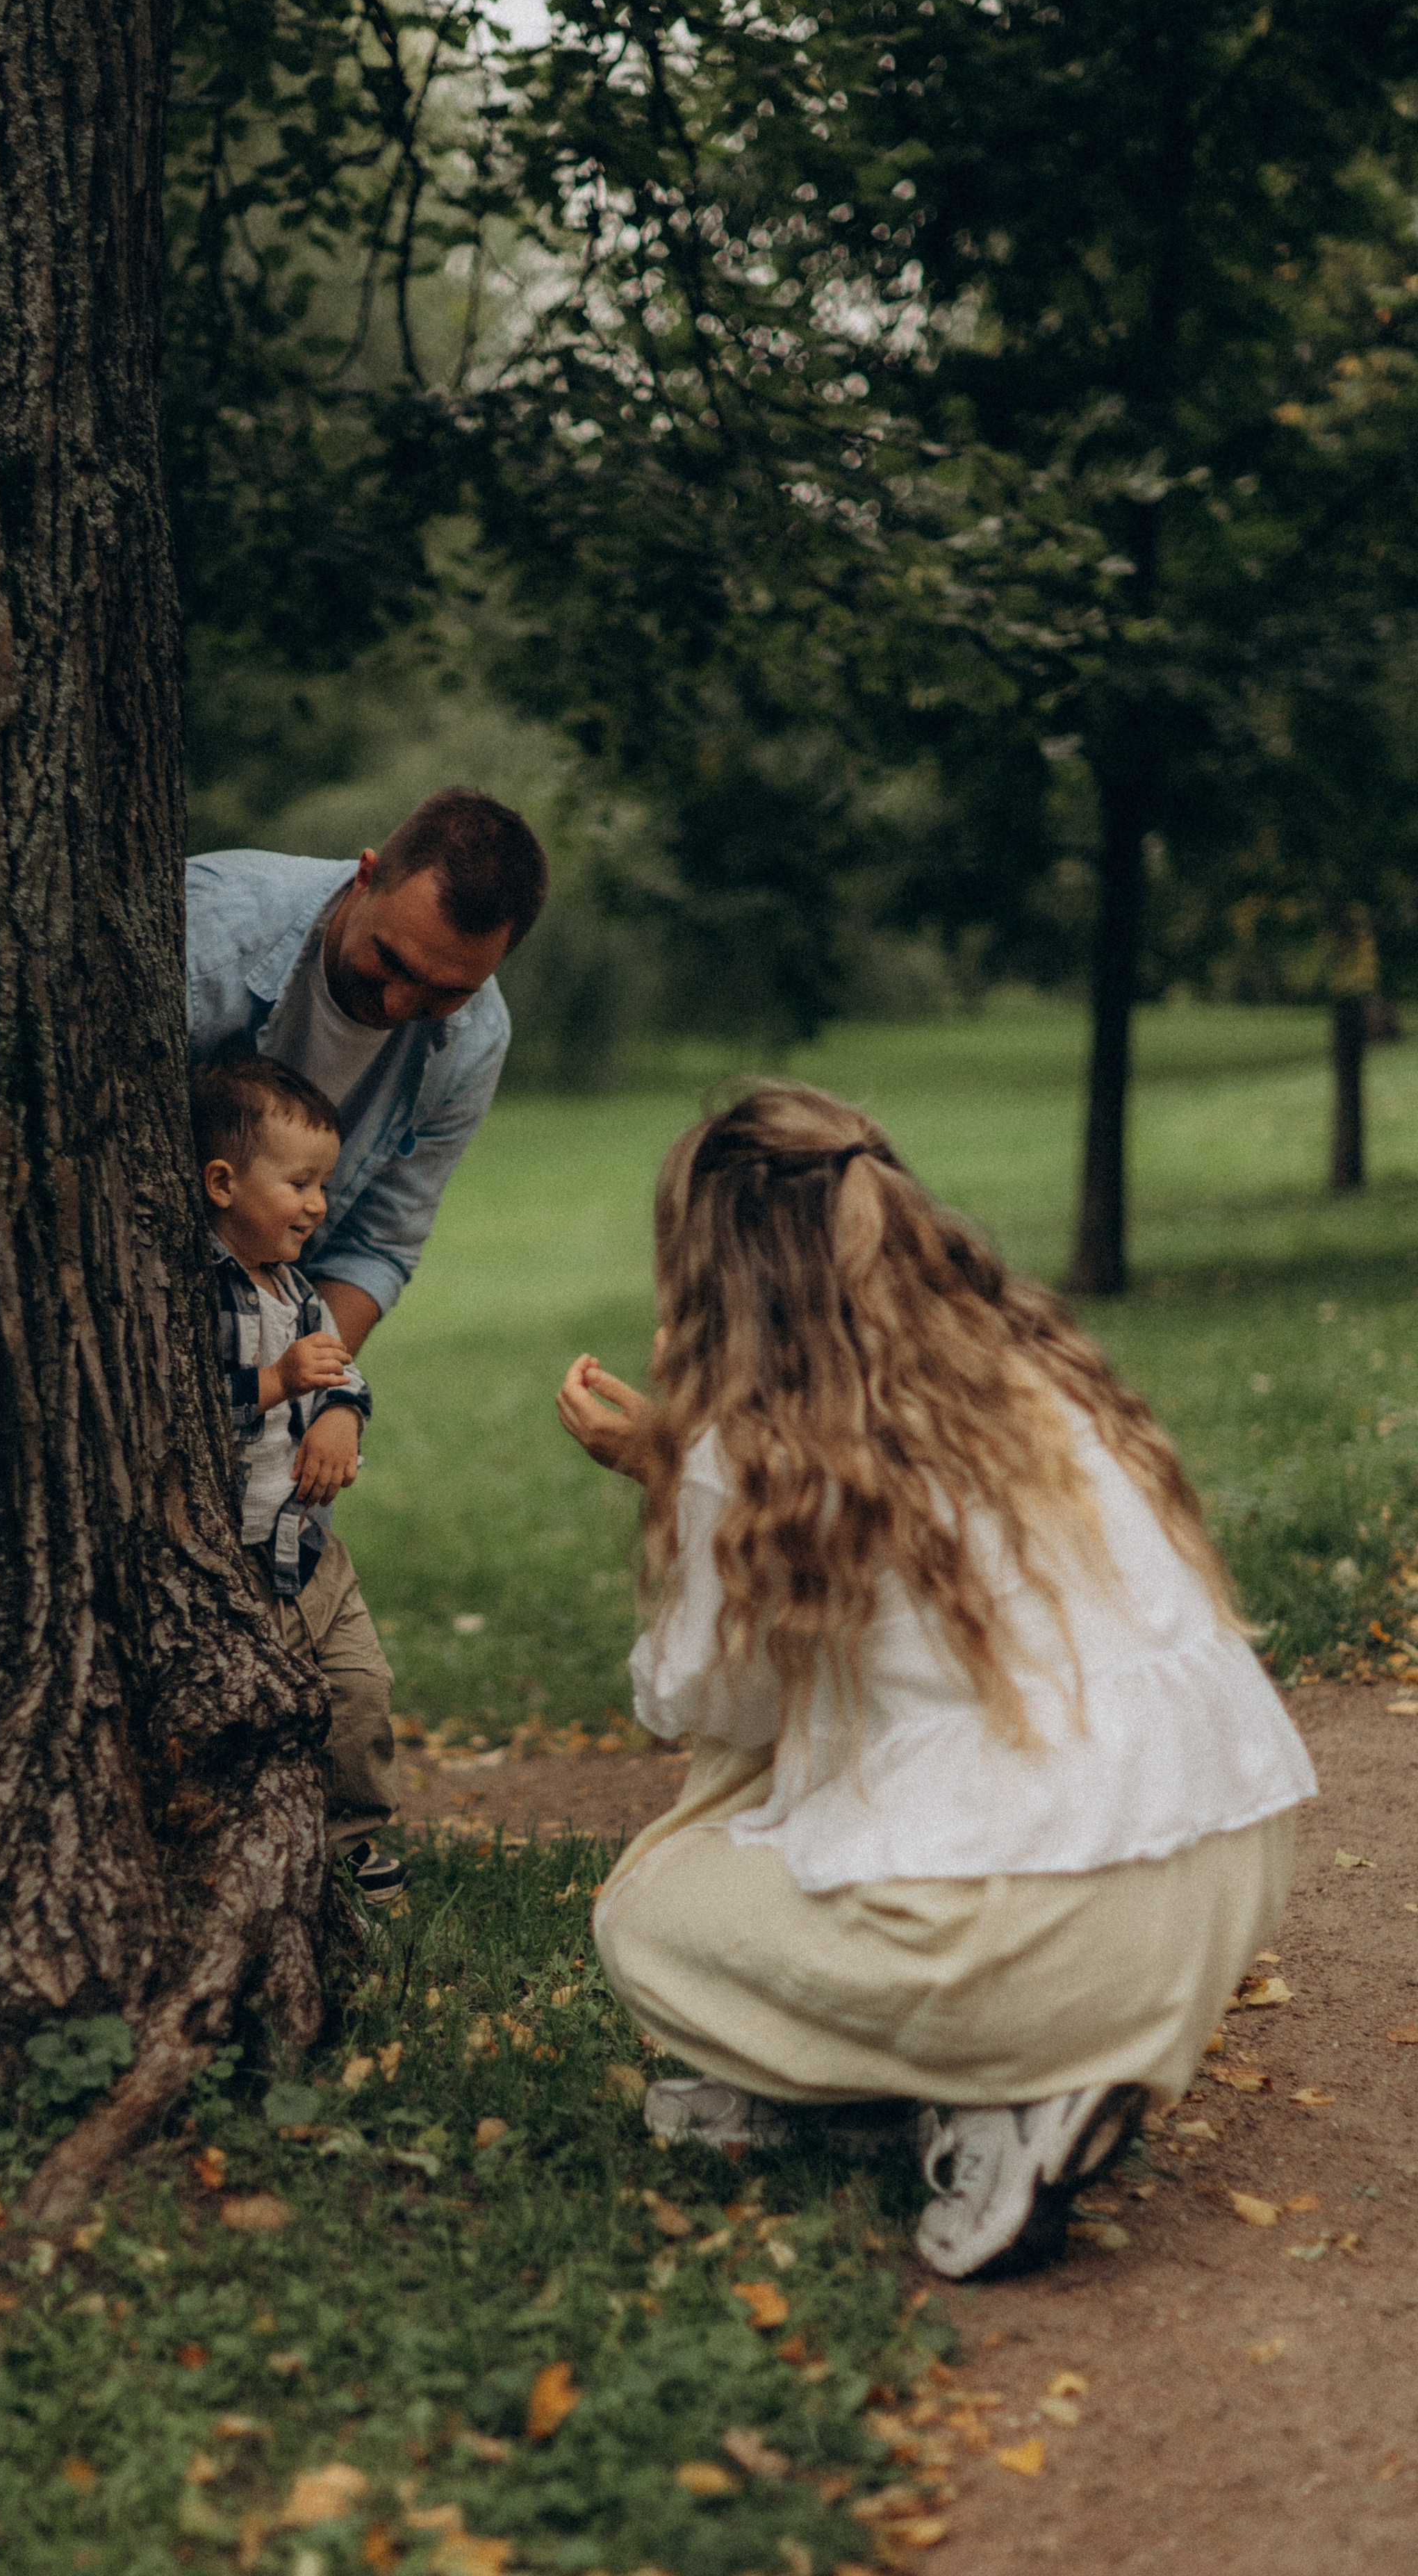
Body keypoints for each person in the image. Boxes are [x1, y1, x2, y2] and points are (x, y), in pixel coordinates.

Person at [555, 1081, 1316, 2281]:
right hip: (1221, 1872)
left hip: (1043, 1930)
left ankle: (994, 2097)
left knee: (647, 1918)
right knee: (848, 1745)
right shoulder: (1025, 1371)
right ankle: (940, 2073)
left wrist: (676, 1472)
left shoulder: (745, 1447)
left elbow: (710, 1709)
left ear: (719, 1268)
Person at [187, 789, 550, 1358]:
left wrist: (319, 1398)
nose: (400, 1005)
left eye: (448, 991)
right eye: (393, 961)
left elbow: (377, 1244)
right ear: (365, 876)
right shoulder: (207, 937)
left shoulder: (477, 1039)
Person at [192, 1054, 406, 1907]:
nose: (320, 1206)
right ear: (221, 1182)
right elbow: (174, 1407)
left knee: (361, 1690)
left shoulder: (296, 1291)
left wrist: (341, 1413)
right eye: (301, 1183)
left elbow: (341, 1373)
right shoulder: (192, 1289)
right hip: (234, 1555)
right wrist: (276, 1385)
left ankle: (353, 1844)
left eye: (326, 1185)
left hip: (312, 1549)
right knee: (256, 1717)